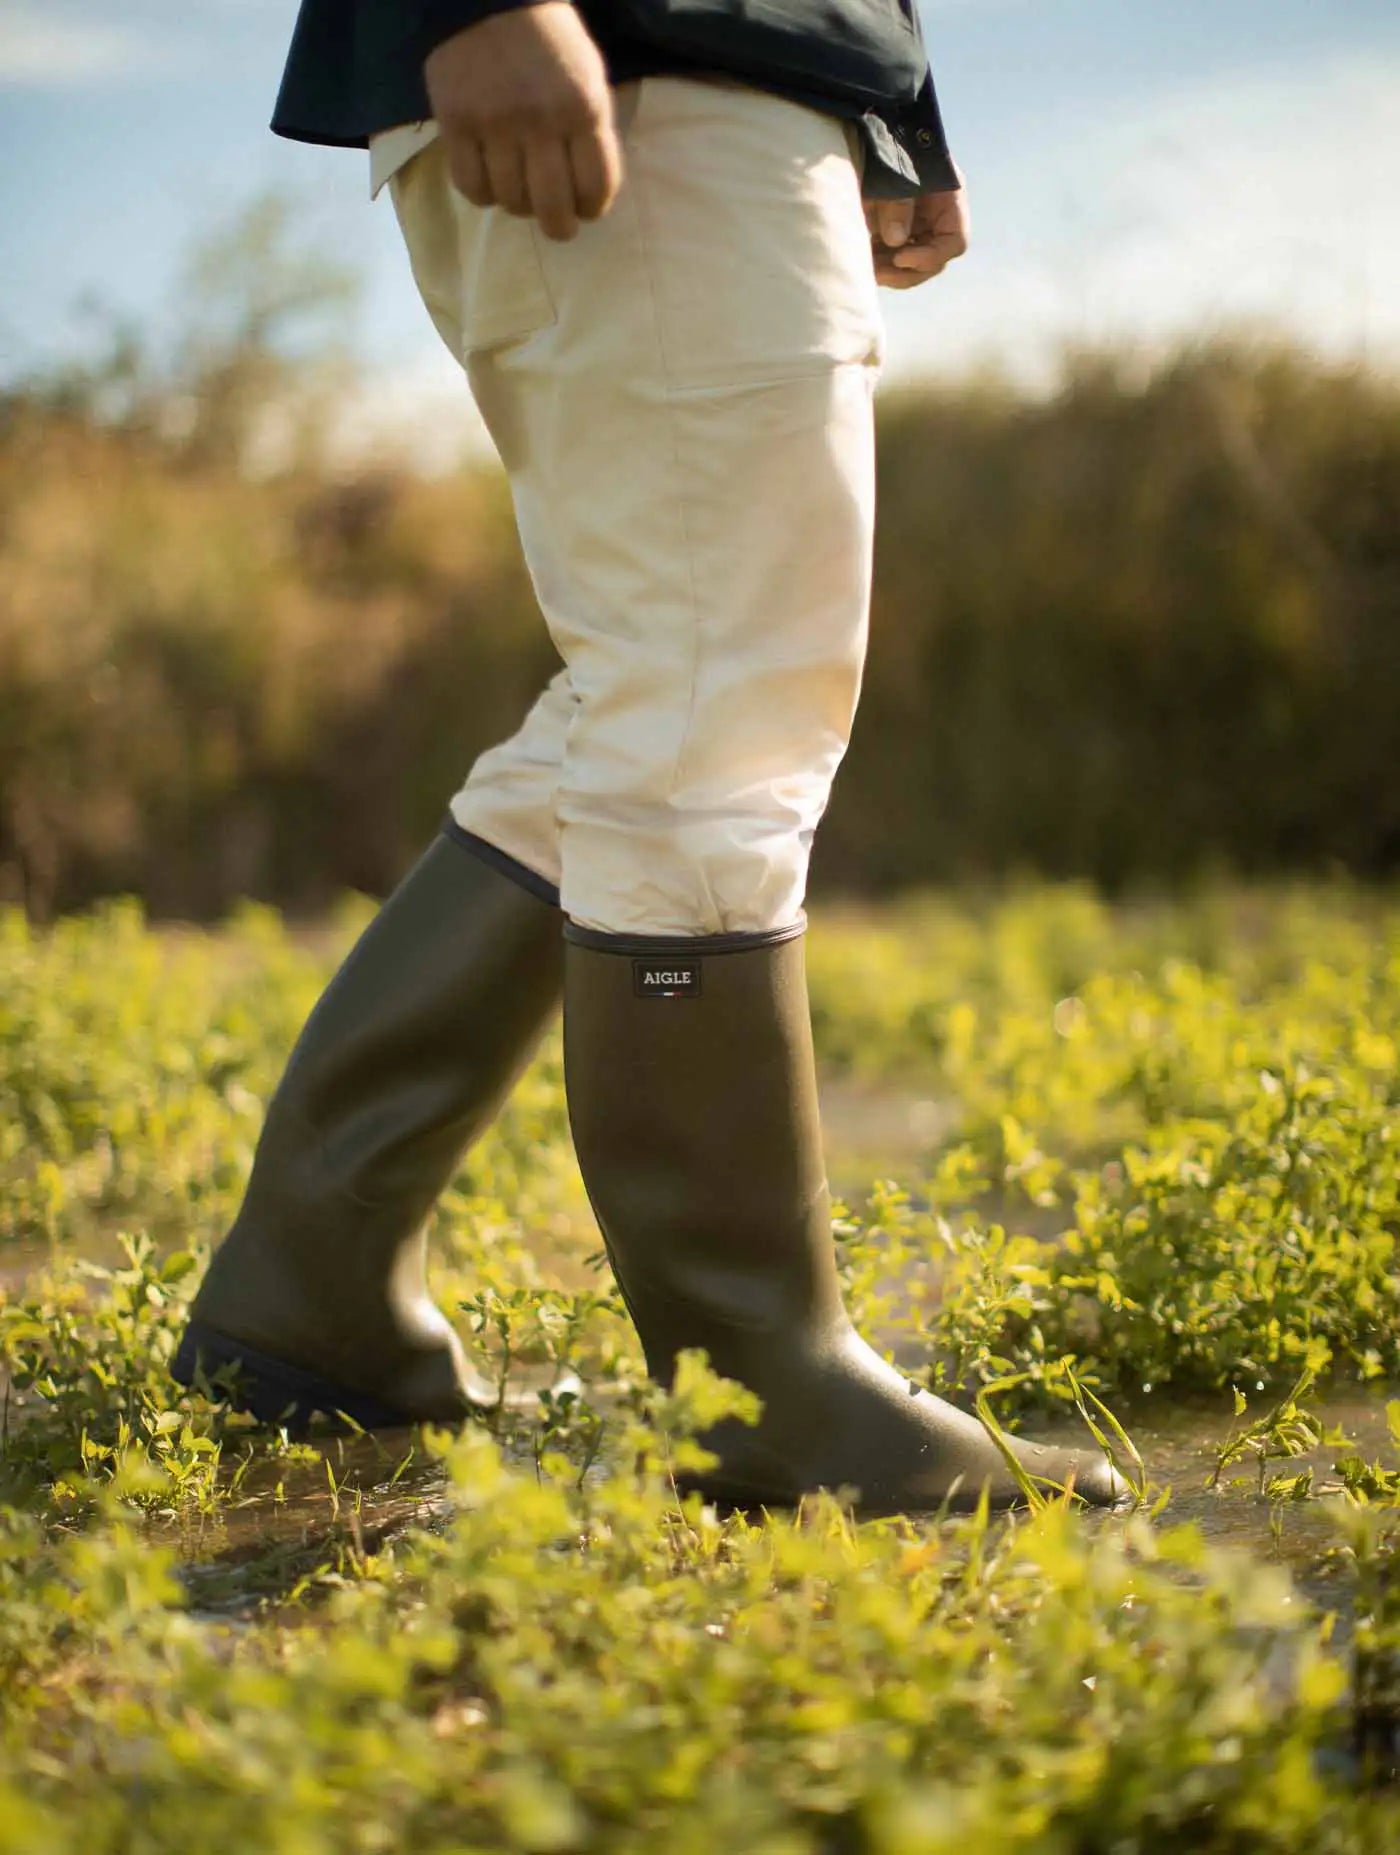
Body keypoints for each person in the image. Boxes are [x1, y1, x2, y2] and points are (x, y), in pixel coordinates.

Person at [174, 0, 1125, 1513]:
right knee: (713, 695)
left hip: (733, 71)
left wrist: (890, 108)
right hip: (635, 64)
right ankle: (762, 1387)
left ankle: (318, 1278)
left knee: (658, 690)